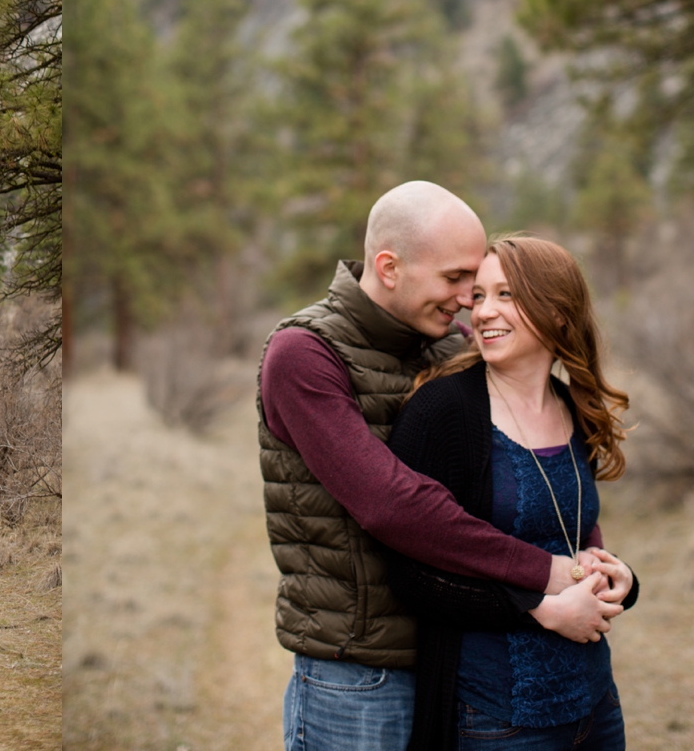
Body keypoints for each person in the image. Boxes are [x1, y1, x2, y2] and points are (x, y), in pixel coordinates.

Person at [258, 181, 619, 751]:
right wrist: (548, 576)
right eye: (456, 280)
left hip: (452, 655)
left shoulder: (447, 348)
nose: (469, 300)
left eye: (475, 284)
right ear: (390, 267)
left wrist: (590, 558)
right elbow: (393, 504)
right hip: (358, 671)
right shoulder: (304, 353)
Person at [385, 235, 638, 750]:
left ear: (558, 313)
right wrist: (535, 608)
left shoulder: (572, 406)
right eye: (478, 296)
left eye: (506, 295)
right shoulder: (443, 413)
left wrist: (620, 576)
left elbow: (573, 534)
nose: (482, 312)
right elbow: (408, 574)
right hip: (496, 716)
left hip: (594, 704)